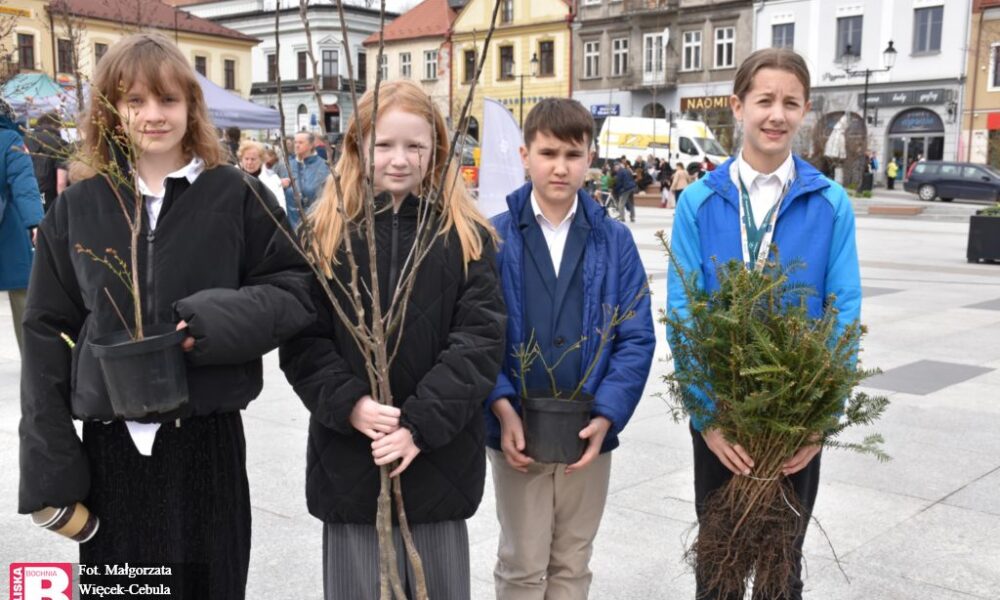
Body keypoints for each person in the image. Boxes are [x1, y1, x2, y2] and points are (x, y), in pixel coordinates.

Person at [17, 33, 314, 598]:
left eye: (168, 100)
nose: (153, 115)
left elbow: (296, 291)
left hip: (207, 445)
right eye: (135, 101)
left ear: (191, 107)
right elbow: (45, 333)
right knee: (127, 591)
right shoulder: (80, 208)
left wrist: (212, 322)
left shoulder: (238, 195)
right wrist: (51, 465)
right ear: (111, 110)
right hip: (113, 456)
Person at [279, 80, 505, 600]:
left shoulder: (464, 236)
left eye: (415, 146)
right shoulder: (324, 234)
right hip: (350, 462)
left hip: (437, 461)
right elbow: (303, 341)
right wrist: (350, 404)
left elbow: (479, 341)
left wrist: (419, 426)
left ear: (437, 149)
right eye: (383, 145)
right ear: (358, 148)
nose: (399, 159)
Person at [667, 47, 860, 600]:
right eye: (765, 100)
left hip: (795, 418)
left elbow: (843, 308)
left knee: (783, 563)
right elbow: (685, 310)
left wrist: (820, 418)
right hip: (722, 417)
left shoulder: (829, 202)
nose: (777, 115)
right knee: (718, 562)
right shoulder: (701, 201)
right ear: (738, 106)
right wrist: (708, 417)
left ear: (805, 111)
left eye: (791, 103)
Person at [486, 98, 655, 600]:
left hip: (588, 428)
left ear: (590, 157)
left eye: (573, 154)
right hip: (516, 422)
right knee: (521, 561)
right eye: (548, 152)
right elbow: (476, 332)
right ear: (525, 154)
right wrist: (499, 403)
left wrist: (609, 413)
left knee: (573, 560)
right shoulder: (494, 236)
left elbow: (636, 334)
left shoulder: (613, 239)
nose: (560, 167)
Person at [0, 98, 43, 355]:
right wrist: (36, 223)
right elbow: (24, 183)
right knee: (23, 296)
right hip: (10, 229)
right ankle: (33, 360)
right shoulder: (10, 140)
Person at [25, 111, 68, 212]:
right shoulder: (62, 144)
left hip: (24, 195)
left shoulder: (22, 140)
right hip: (49, 198)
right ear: (57, 126)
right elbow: (61, 182)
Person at [287, 131, 329, 229]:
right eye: (295, 142)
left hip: (315, 224)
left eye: (301, 142)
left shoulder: (324, 166)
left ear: (311, 145)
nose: (296, 145)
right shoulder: (287, 165)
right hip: (290, 227)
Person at [237, 140, 285, 209]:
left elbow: (281, 206)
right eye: (246, 159)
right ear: (241, 159)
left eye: (253, 159)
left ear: (261, 160)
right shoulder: (234, 177)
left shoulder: (272, 179)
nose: (249, 162)